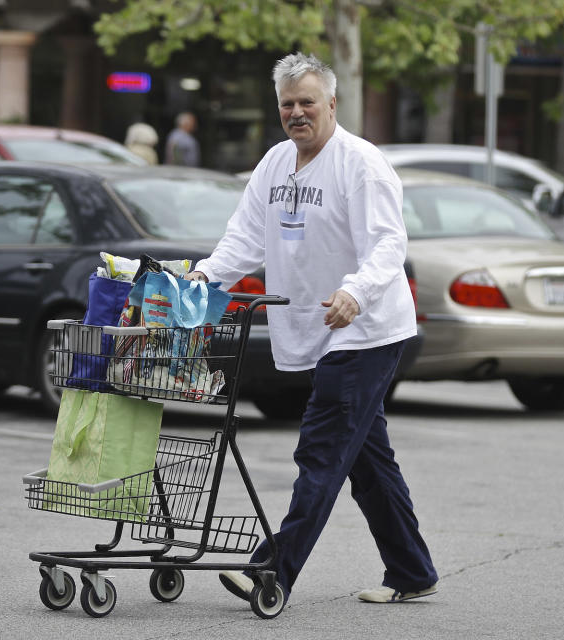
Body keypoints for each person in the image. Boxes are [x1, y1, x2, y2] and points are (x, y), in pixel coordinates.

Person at [186, 52, 438, 606]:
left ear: (331, 104)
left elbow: (388, 244)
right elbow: (245, 239)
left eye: (307, 102)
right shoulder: (275, 164)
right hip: (314, 326)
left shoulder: (361, 164)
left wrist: (355, 291)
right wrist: (204, 276)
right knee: (368, 459)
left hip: (366, 327)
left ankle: (272, 569)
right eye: (287, 104)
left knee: (322, 450)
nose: (297, 113)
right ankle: (413, 571)